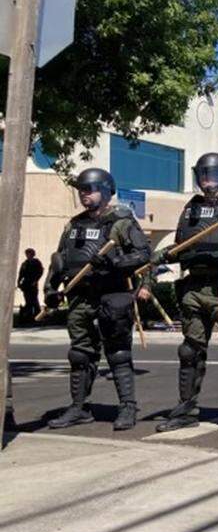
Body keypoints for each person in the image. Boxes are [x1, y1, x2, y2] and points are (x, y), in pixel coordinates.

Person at [44, 168, 151, 431]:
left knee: (118, 353)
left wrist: (114, 261)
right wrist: (51, 289)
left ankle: (127, 407)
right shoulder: (74, 225)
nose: (84, 194)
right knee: (80, 354)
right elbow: (59, 260)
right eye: (81, 190)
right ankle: (79, 407)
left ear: (105, 191)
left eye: (89, 189)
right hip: (81, 297)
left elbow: (143, 255)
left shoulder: (121, 222)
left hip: (112, 294)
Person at [150, 153, 218, 432]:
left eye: (213, 175)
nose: (208, 180)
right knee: (189, 351)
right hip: (193, 288)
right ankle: (187, 407)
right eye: (203, 174)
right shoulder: (190, 208)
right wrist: (164, 255)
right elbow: (181, 247)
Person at [17, 248, 43, 323]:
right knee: (28, 300)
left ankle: (37, 316)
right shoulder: (24, 263)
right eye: (27, 254)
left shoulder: (36, 262)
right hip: (26, 284)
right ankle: (28, 317)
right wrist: (18, 282)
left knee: (34, 300)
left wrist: (36, 280)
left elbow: (40, 272)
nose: (28, 255)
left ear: (33, 254)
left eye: (29, 254)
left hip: (33, 284)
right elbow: (21, 274)